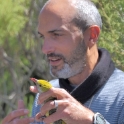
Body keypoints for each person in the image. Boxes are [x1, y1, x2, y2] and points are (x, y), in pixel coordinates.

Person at [2, 0, 124, 124]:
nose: (45, 49)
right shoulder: (45, 94)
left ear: (92, 35)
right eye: (43, 37)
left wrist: (92, 121)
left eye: (56, 35)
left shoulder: (121, 93)